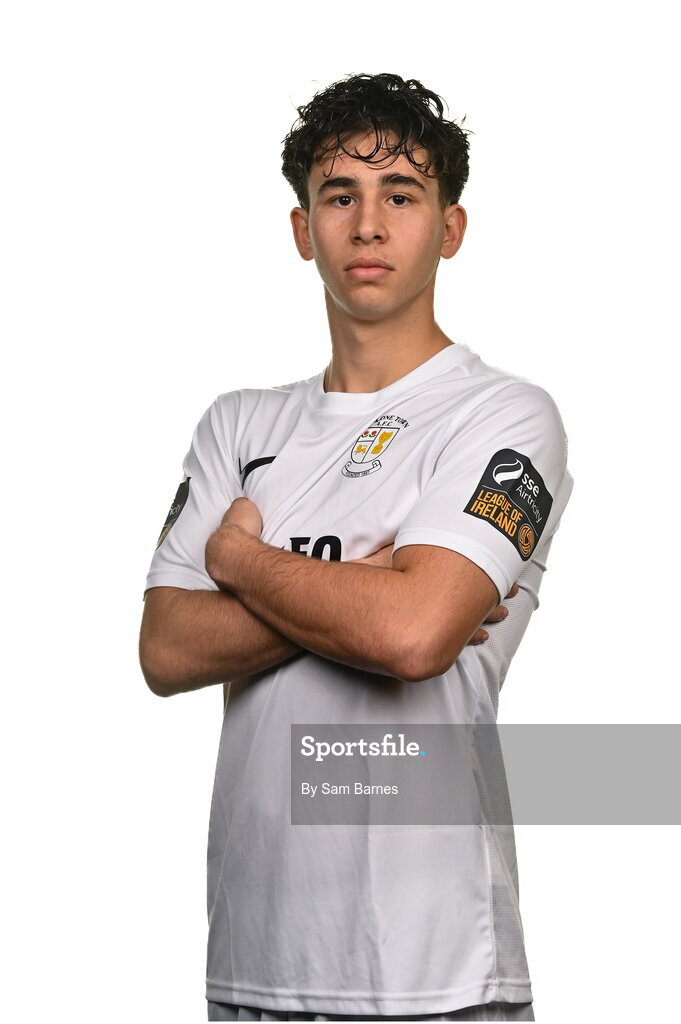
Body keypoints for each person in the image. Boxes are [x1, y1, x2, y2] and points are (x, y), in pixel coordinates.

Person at [139, 72, 573, 1022]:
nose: (368, 225)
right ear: (303, 231)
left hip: (434, 971)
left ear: (448, 229)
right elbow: (166, 650)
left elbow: (414, 637)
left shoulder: (502, 417)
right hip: (254, 962)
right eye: (340, 196)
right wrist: (365, 586)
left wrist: (243, 565)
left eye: (400, 196)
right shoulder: (239, 425)